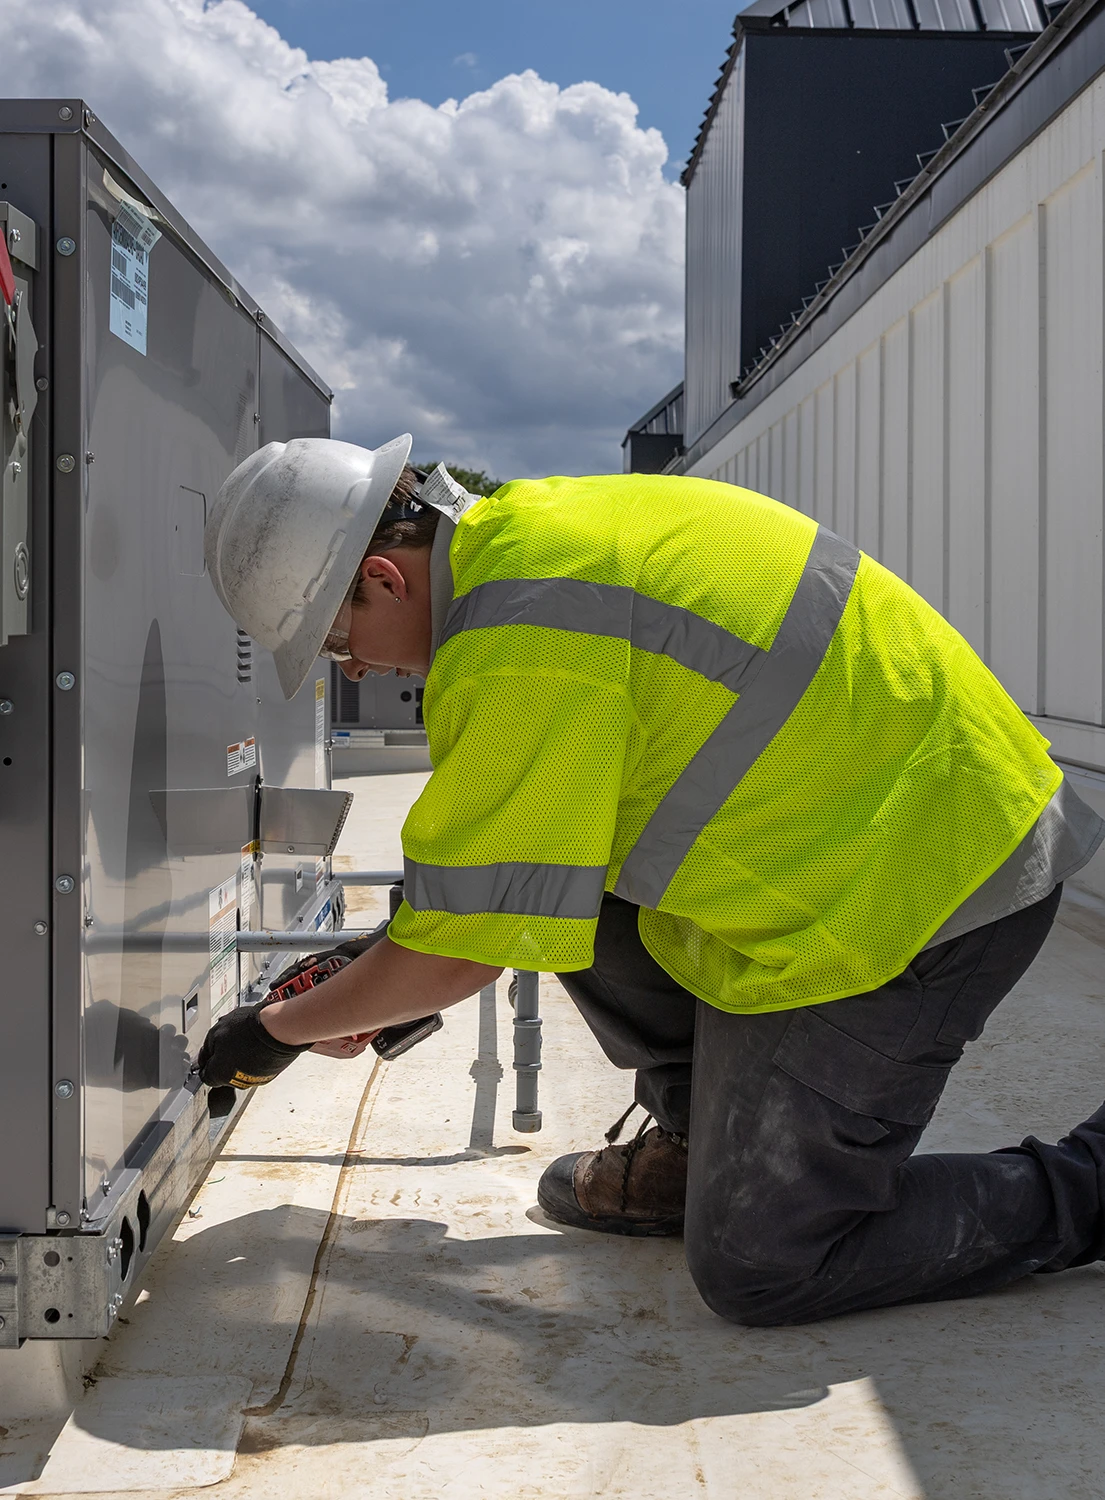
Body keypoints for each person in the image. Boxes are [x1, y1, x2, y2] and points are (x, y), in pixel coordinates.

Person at [198, 433, 1105, 1326]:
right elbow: (495, 885)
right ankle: (696, 1147)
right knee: (554, 894)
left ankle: (1092, 1186)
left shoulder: (519, 638)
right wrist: (386, 959)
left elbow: (457, 955)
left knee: (765, 1264)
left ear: (385, 579)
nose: (356, 667)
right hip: (863, 841)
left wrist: (273, 1032)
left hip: (929, 893)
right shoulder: (531, 541)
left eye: (336, 640)